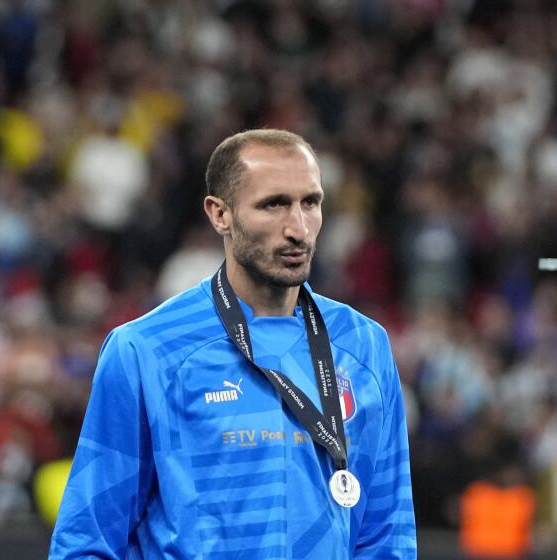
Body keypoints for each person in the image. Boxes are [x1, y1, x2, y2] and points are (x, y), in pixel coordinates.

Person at [49, 129, 417, 559]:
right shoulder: (146, 349)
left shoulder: (364, 345)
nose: (298, 229)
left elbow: (387, 536)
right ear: (219, 214)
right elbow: (87, 540)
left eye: (310, 203)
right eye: (273, 204)